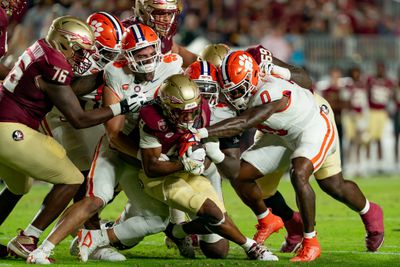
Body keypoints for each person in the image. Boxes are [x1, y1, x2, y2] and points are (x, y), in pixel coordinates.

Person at [26, 22, 180, 264]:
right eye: (141, 54)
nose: (148, 59)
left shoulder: (172, 65)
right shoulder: (115, 73)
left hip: (144, 151)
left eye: (152, 52)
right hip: (118, 150)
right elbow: (114, 135)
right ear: (127, 57)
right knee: (96, 198)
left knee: (157, 219)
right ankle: (42, 250)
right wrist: (144, 158)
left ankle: (96, 238)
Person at [0, 15, 142, 264]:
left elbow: (67, 89)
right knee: (73, 178)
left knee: (18, 186)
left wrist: (101, 75)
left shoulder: (44, 47)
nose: (82, 56)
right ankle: (28, 238)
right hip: (12, 129)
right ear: (65, 43)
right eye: (79, 50)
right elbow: (79, 118)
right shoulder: (55, 62)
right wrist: (122, 107)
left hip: (7, 123)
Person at [185, 50, 337, 262]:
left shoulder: (270, 89)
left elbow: (245, 121)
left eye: (238, 90)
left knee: (299, 173)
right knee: (239, 174)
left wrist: (203, 133)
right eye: (230, 90)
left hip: (313, 127)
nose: (234, 96)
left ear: (253, 78)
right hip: (279, 134)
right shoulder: (238, 82)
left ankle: (311, 241)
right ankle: (267, 219)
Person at [128, 73, 278, 261]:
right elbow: (151, 167)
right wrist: (183, 163)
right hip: (160, 179)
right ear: (167, 107)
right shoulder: (152, 118)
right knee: (211, 213)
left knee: (217, 248)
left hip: (190, 174)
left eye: (193, 110)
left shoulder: (205, 110)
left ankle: (178, 231)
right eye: (182, 112)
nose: (189, 117)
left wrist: (203, 159)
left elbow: (216, 162)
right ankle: (251, 247)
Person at [122, 0, 197, 67]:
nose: (167, 19)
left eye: (170, 13)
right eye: (161, 13)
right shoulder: (125, 33)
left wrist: (202, 62)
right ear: (143, 11)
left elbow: (176, 50)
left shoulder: (159, 29)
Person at [366, 61, 394, 173]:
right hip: (372, 111)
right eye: (379, 68)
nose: (381, 70)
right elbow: (366, 94)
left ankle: (380, 164)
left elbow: (391, 97)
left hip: (383, 112)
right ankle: (367, 164)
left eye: (382, 68)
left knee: (381, 139)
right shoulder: (370, 80)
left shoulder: (389, 82)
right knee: (368, 138)